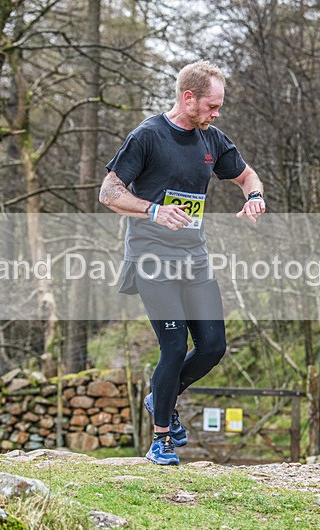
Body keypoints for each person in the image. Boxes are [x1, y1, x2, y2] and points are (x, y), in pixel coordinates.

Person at [99, 60, 265, 465]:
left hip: (194, 258)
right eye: (211, 105)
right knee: (174, 347)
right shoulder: (147, 136)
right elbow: (109, 193)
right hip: (152, 257)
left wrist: (254, 196)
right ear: (187, 98)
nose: (216, 113)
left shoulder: (212, 139)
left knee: (212, 346)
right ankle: (161, 441)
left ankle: (160, 397)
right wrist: (153, 211)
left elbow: (247, 176)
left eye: (219, 106)